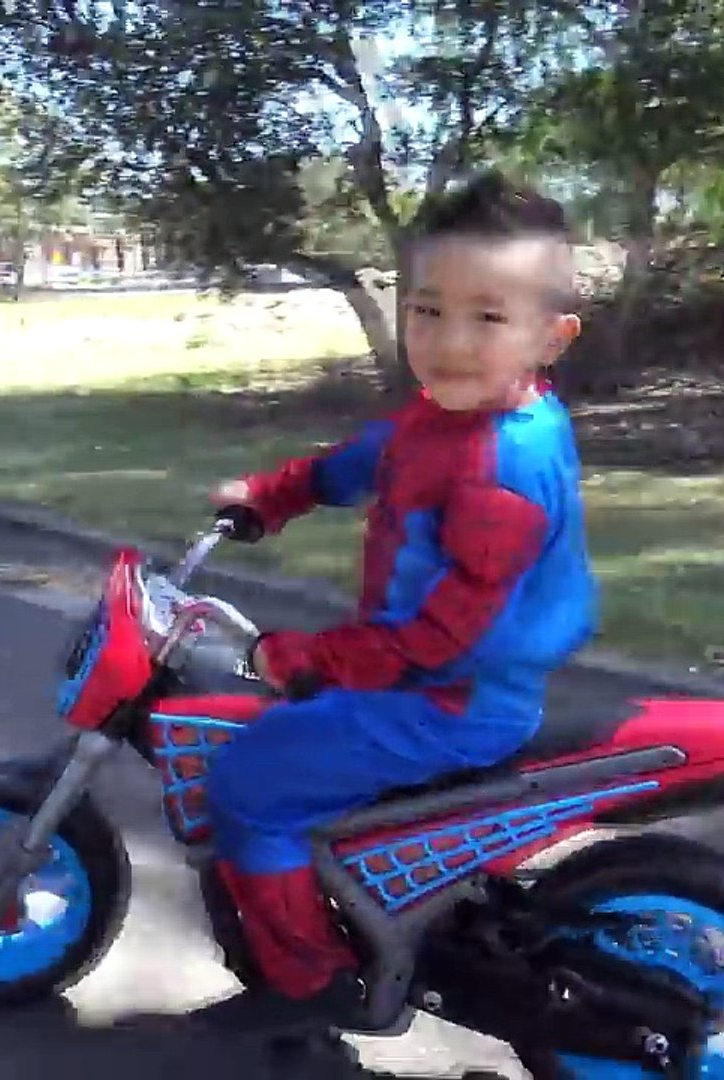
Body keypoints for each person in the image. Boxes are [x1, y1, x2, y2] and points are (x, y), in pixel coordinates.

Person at [189, 171, 600, 1036]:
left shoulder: (503, 468)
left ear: (551, 337)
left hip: (448, 699)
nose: (449, 342)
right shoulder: (448, 417)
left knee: (249, 785)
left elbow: (442, 636)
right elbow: (365, 458)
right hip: (437, 680)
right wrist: (272, 495)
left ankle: (308, 979)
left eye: (487, 317)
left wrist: (308, 658)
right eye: (428, 310)